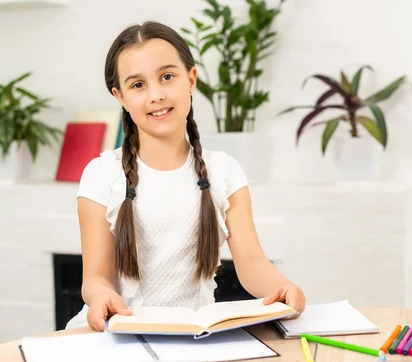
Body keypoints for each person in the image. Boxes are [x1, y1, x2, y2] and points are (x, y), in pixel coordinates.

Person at [65, 21, 306, 331]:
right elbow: (96, 277)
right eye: (138, 85)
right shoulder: (101, 175)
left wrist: (284, 287)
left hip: (196, 337)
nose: (155, 95)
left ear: (191, 79)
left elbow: (252, 263)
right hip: (120, 334)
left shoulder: (224, 171)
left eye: (167, 77)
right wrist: (100, 296)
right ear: (120, 96)